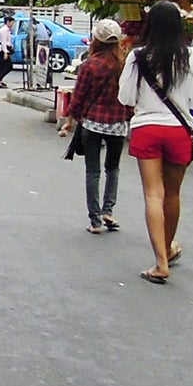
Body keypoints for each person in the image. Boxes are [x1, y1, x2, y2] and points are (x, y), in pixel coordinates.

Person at [116, 1, 193, 284]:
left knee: (153, 194)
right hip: (178, 131)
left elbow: (125, 98)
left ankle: (161, 261)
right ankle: (168, 248)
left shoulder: (137, 57)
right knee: (172, 194)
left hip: (147, 128)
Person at [59, 19, 132, 234]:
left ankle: (95, 220)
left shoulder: (89, 65)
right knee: (113, 168)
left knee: (93, 171)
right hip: (118, 124)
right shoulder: (125, 64)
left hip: (92, 123)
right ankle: (108, 210)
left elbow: (79, 97)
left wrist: (69, 122)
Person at [0, 12, 15, 88]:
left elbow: (8, 40)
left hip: (5, 49)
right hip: (2, 50)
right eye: (12, 22)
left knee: (3, 66)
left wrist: (11, 47)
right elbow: (3, 42)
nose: (13, 24)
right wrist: (5, 52)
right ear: (8, 22)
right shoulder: (3, 30)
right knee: (7, 66)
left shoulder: (8, 30)